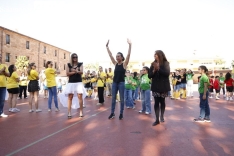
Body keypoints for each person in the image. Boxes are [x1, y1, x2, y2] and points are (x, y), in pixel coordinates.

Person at [106, 39, 132, 120]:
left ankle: (121, 113)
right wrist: (107, 47)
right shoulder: (115, 63)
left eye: (118, 56)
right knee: (113, 98)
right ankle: (112, 113)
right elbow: (110, 55)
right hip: (114, 83)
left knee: (121, 98)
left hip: (121, 83)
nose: (117, 57)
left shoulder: (124, 64)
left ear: (121, 57)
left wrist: (130, 45)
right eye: (116, 56)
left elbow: (128, 55)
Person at [149, 50, 171, 126]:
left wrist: (158, 69)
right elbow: (149, 75)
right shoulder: (152, 64)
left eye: (156, 54)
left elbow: (167, 74)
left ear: (160, 55)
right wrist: (154, 71)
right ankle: (157, 119)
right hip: (155, 86)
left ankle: (162, 116)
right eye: (154, 55)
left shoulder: (166, 63)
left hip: (163, 86)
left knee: (162, 102)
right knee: (156, 102)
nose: (154, 56)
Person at [63, 53, 85, 118]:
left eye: (76, 57)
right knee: (70, 97)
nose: (75, 58)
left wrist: (74, 71)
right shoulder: (68, 64)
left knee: (80, 96)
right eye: (73, 57)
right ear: (71, 58)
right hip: (71, 82)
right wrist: (75, 71)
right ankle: (69, 112)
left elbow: (81, 72)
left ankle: (81, 112)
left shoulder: (80, 64)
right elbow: (67, 73)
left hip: (78, 82)